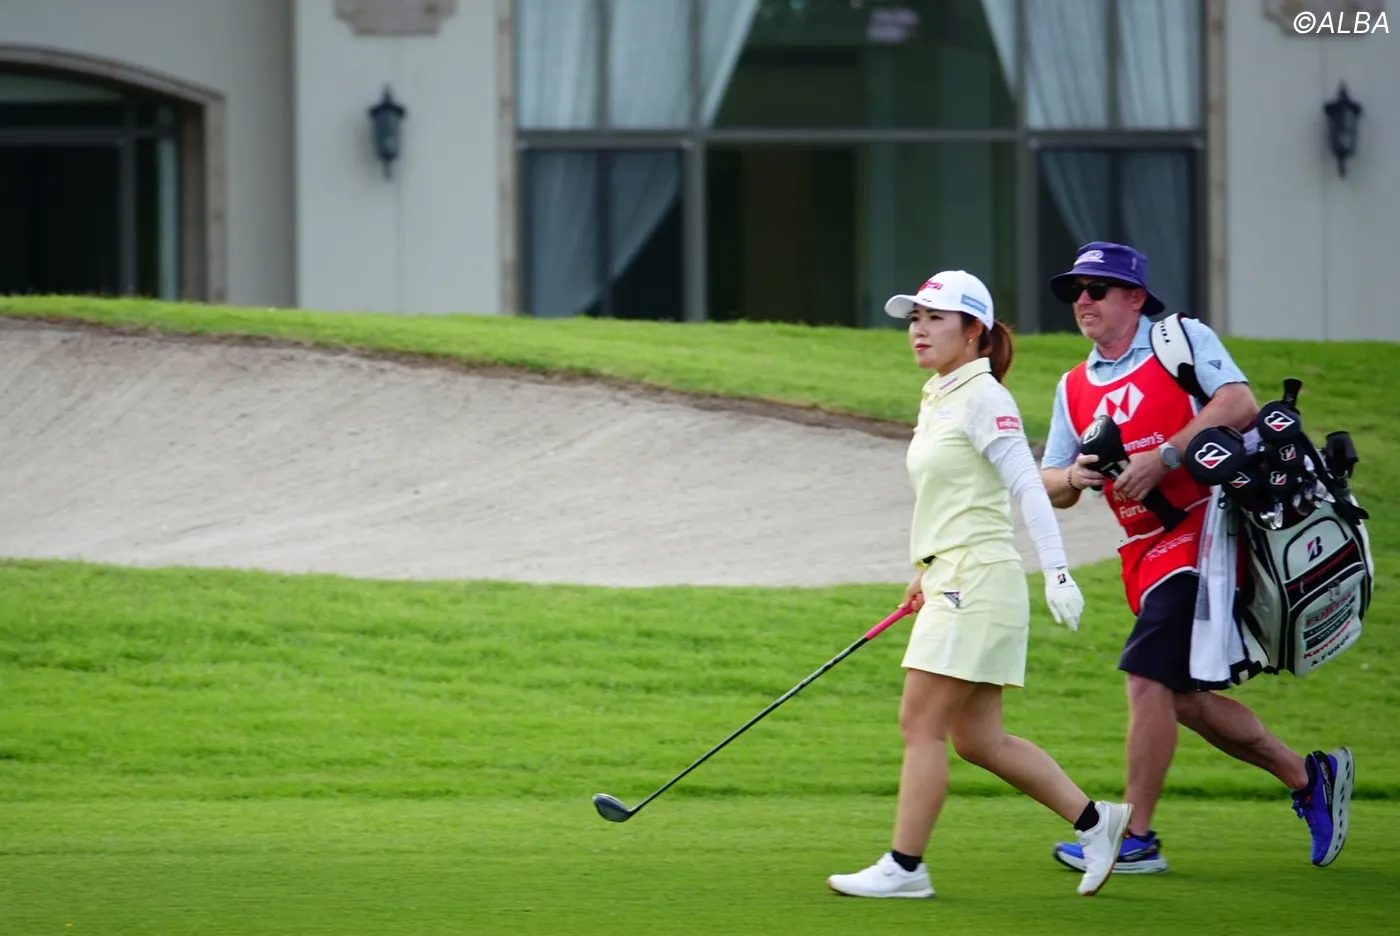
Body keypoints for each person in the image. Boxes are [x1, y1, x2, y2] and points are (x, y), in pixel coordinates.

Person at [1037, 241, 1354, 875]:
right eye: (1075, 290)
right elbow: (1050, 482)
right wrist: (1075, 476)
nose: (1082, 301)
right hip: (1142, 550)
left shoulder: (1177, 339)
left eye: (1096, 289)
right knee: (1180, 699)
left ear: (1135, 297)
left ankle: (1137, 838)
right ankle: (1308, 777)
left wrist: (1165, 457)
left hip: (1206, 531)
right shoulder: (1073, 386)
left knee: (1145, 678)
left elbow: (1238, 403)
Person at [826, 269, 1131, 901]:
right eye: (915, 318)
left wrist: (1059, 572)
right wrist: (926, 571)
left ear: (974, 331)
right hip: (955, 577)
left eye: (935, 318)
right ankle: (1097, 822)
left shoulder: (985, 398)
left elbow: (1029, 488)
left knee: (921, 725)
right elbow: (961, 499)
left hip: (979, 581)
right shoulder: (941, 393)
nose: (919, 329)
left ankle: (905, 867)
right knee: (979, 740)